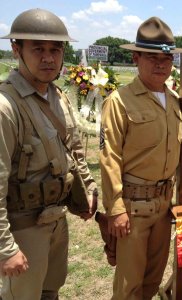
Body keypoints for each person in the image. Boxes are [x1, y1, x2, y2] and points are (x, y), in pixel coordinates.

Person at [0, 8, 97, 300]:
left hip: (55, 220)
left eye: (55, 49)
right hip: (22, 226)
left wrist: (88, 189)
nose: (48, 58)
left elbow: (75, 151)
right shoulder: (6, 106)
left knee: (50, 292)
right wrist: (5, 248)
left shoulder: (57, 96)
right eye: (38, 49)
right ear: (16, 49)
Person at [99, 16, 182, 299]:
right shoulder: (120, 101)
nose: (161, 64)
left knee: (152, 281)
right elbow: (109, 155)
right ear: (136, 58)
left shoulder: (173, 100)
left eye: (167, 57)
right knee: (129, 287)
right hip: (133, 208)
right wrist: (116, 209)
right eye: (152, 57)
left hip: (163, 206)